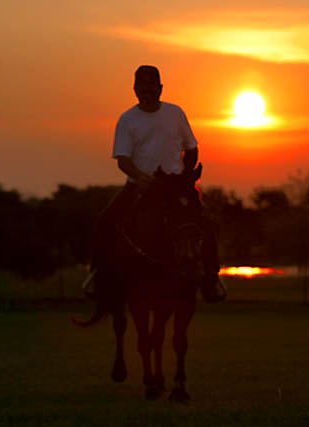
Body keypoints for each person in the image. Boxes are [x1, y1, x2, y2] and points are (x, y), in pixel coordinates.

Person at [87, 65, 225, 303]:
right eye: (143, 86)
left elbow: (191, 148)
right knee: (104, 221)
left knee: (207, 223)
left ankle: (210, 280)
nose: (148, 91)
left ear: (160, 88)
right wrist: (140, 176)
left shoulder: (175, 113)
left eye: (153, 86)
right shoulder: (127, 120)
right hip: (140, 186)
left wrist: (187, 174)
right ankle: (99, 277)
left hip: (174, 186)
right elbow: (123, 159)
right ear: (135, 90)